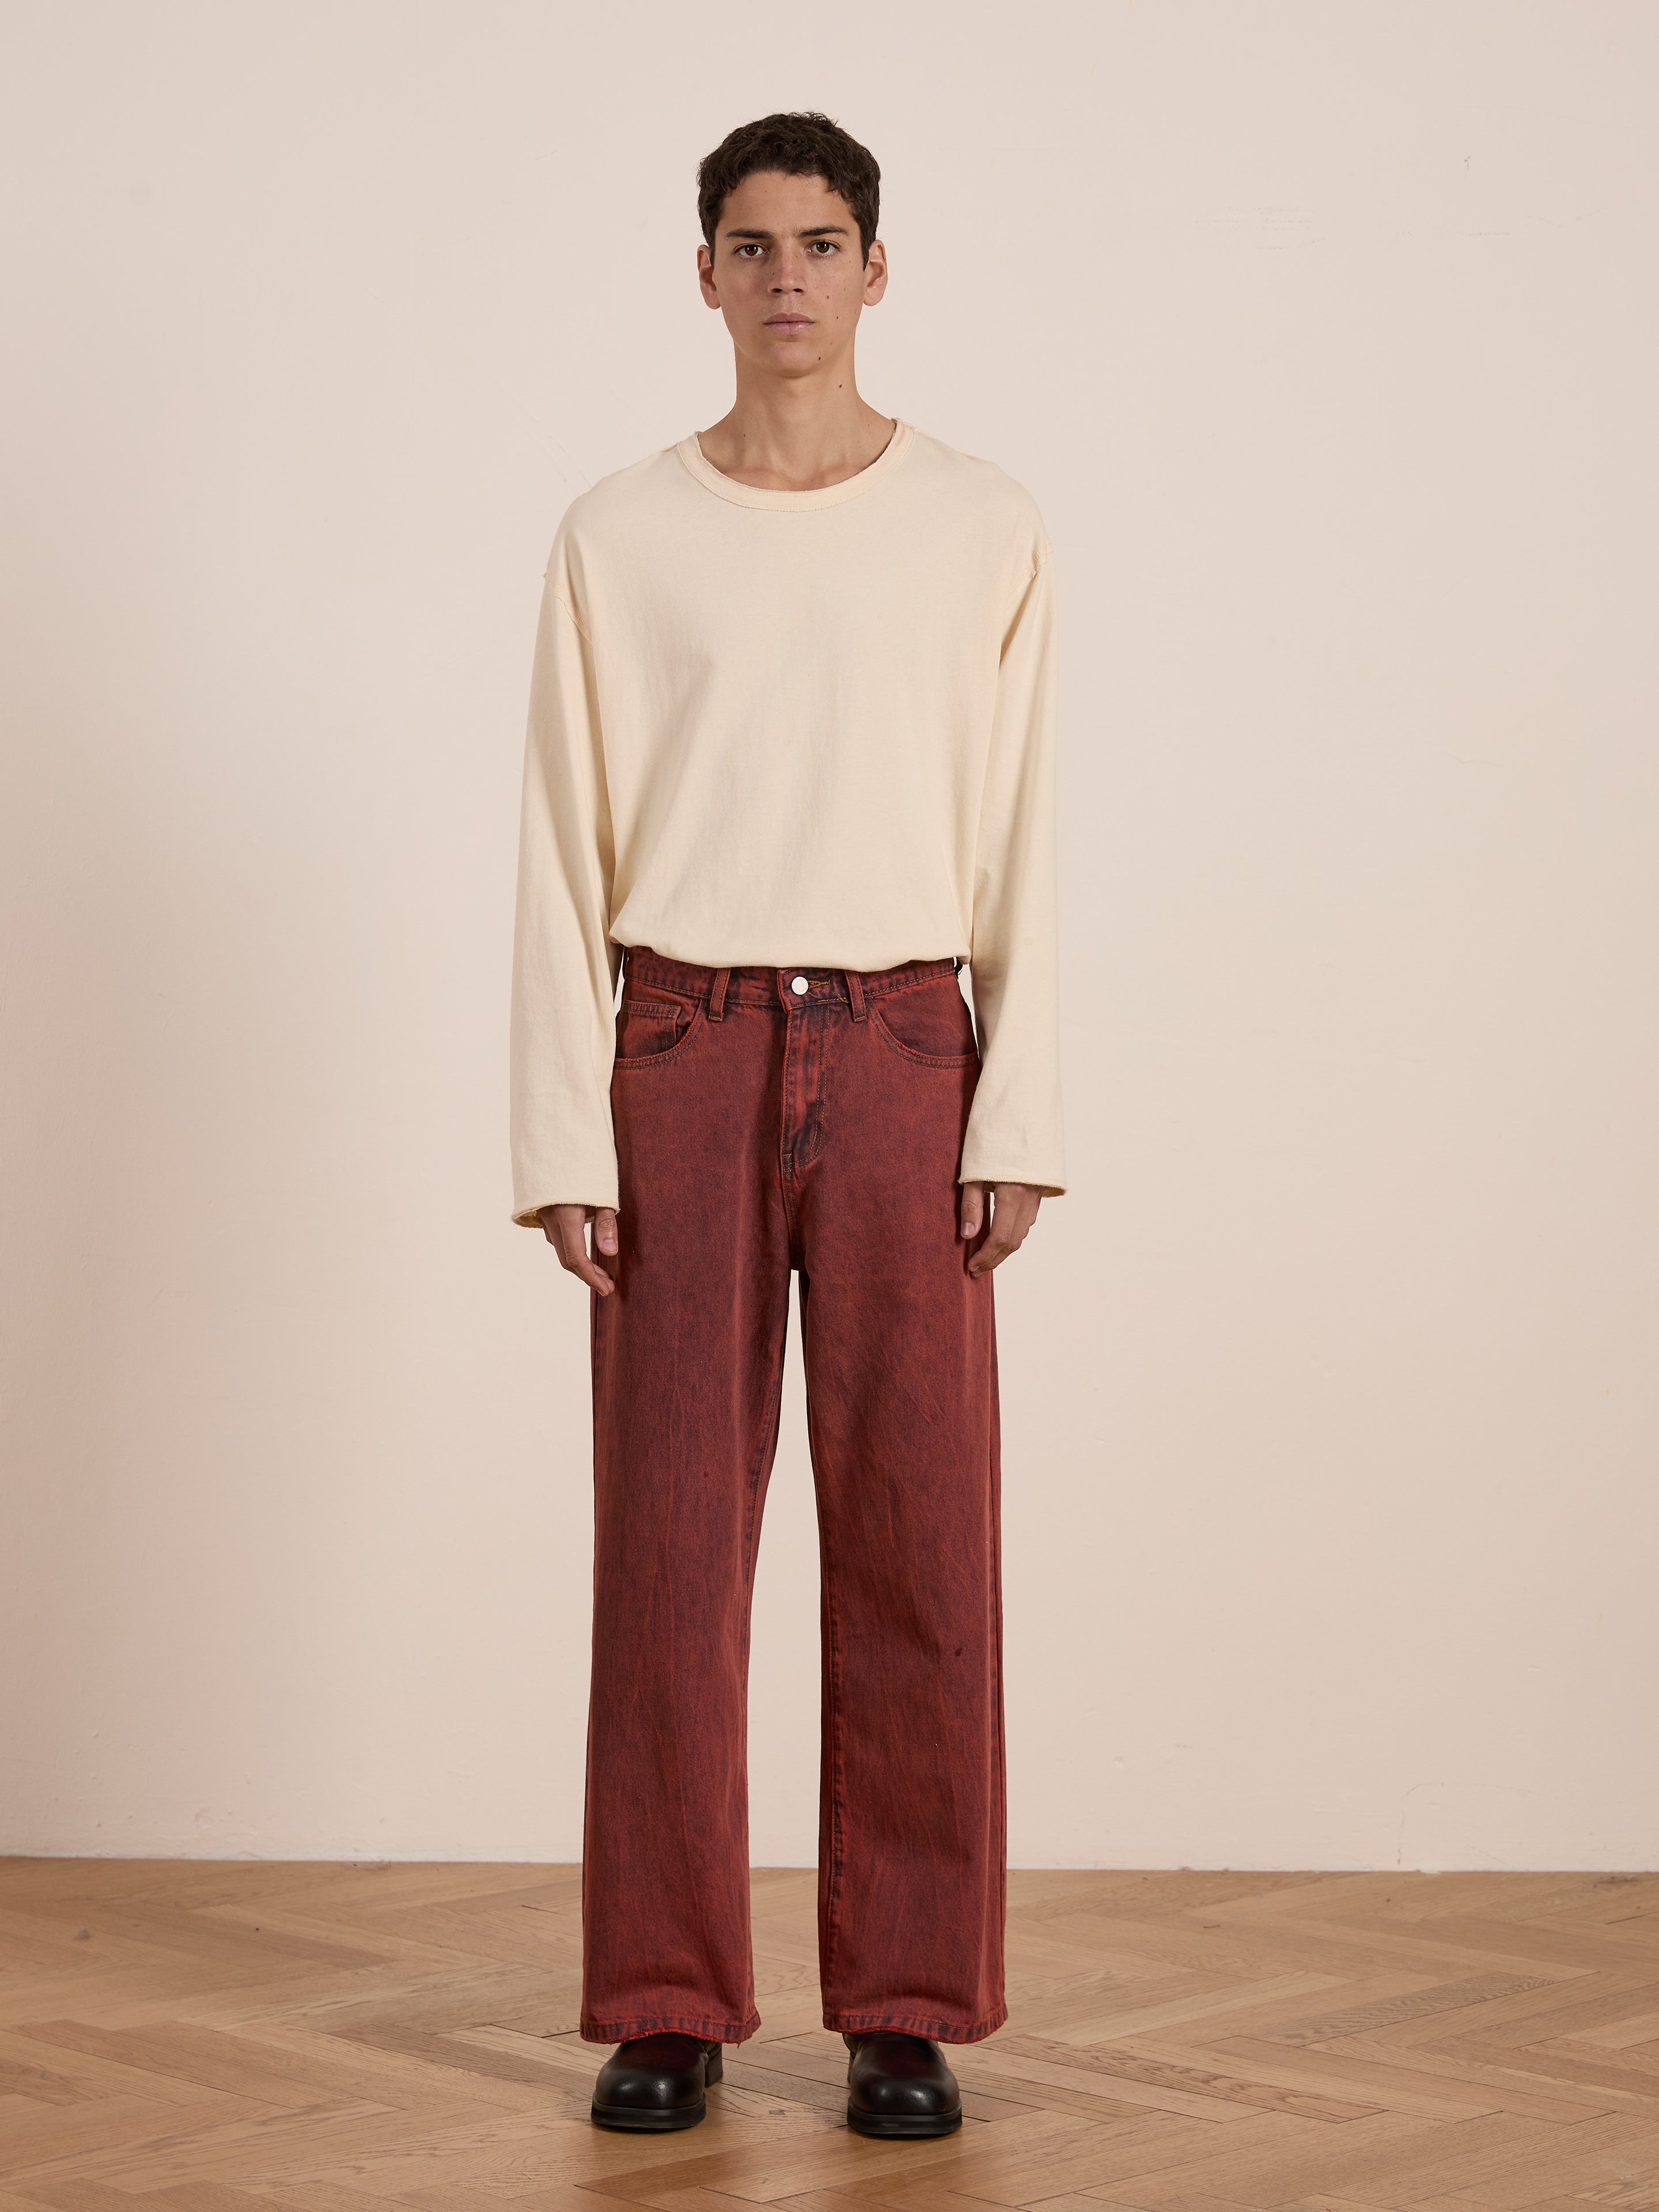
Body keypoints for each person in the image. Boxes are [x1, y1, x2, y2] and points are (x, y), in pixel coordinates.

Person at [509, 109, 1065, 2139]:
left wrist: (1031, 1106)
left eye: (822, 242)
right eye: (751, 246)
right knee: (669, 1543)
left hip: (915, 1043)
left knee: (921, 1534)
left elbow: (1030, 834)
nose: (789, 280)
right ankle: (667, 1996)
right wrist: (561, 1133)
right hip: (681, 1046)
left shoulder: (983, 524)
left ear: (879, 266)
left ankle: (904, 2002)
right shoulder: (619, 533)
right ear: (706, 276)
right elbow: (559, 850)